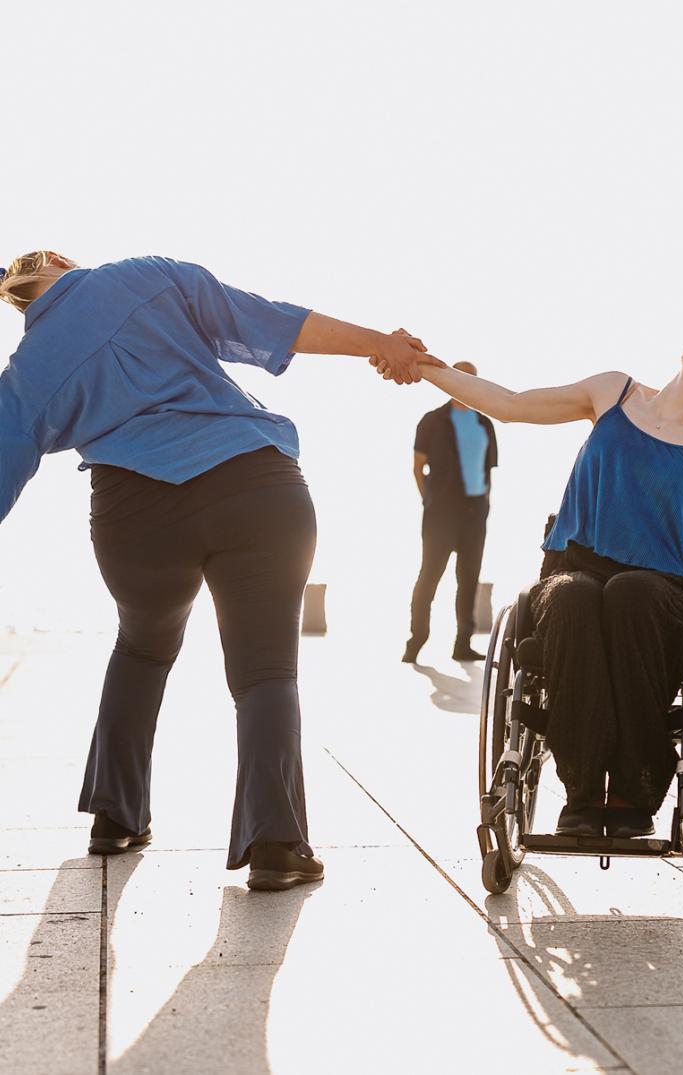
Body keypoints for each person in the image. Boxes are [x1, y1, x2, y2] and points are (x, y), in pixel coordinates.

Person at [0, 250, 443, 891]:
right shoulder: (147, 275)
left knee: (142, 646)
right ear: (69, 265)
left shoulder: (28, 371)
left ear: (22, 306)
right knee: (264, 669)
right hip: (253, 487)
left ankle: (113, 816)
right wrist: (384, 345)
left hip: (135, 518)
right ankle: (276, 845)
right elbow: (272, 321)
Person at [373, 338, 683, 838]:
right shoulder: (614, 393)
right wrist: (428, 369)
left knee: (631, 595)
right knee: (571, 598)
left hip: (663, 587)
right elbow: (511, 405)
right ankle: (581, 793)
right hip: (575, 563)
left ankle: (635, 790)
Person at [402, 361, 498, 664]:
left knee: (469, 579)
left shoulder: (485, 424)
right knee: (429, 577)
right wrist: (428, 501)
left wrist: (484, 504)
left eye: (473, 379)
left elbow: (487, 470)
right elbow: (418, 467)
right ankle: (416, 642)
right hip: (440, 512)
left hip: (476, 512)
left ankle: (463, 644)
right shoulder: (432, 421)